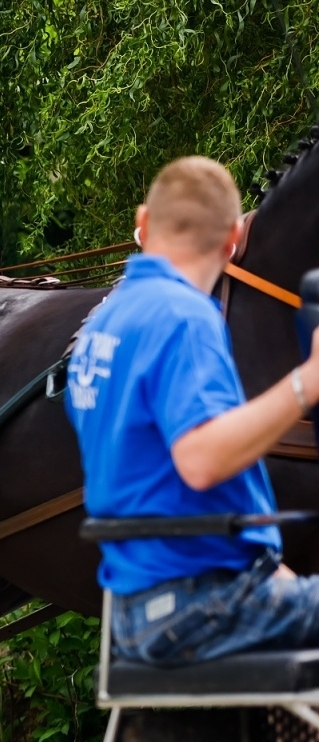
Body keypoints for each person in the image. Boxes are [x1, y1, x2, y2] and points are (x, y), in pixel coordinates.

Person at [65, 155, 319, 665]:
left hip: (139, 608)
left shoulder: (102, 326)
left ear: (143, 222)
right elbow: (201, 461)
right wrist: (307, 381)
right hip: (199, 603)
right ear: (233, 238)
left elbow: (156, 482)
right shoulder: (183, 315)